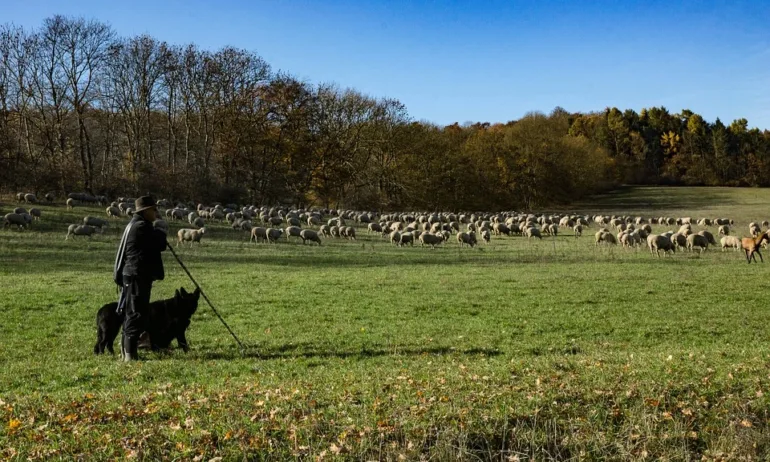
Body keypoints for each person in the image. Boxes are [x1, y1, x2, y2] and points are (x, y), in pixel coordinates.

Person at [113, 196, 168, 361]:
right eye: (154, 210)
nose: (156, 213)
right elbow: (160, 244)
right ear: (146, 211)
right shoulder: (142, 227)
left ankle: (127, 353)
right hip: (137, 275)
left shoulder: (135, 225)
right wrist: (161, 228)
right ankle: (130, 355)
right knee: (136, 313)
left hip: (133, 274)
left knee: (133, 312)